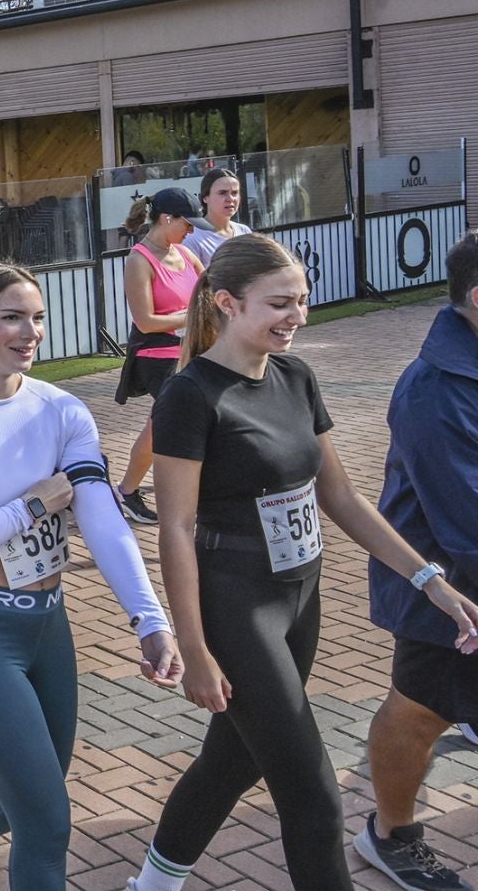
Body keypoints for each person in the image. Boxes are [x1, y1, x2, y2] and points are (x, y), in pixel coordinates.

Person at [127, 235, 478, 891]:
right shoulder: (192, 396)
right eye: (280, 303)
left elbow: (341, 497)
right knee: (313, 792)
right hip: (236, 605)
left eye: (304, 302)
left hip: (300, 598)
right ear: (226, 303)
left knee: (231, 760)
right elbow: (174, 527)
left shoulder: (295, 377)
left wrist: (428, 579)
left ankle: (150, 885)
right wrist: (195, 647)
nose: (298, 316)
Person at [0, 260, 181, 891]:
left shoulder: (62, 410)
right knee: (47, 822)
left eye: (39, 317)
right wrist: (31, 505)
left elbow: (103, 518)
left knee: (33, 786)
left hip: (48, 627)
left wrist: (149, 617)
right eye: (12, 318)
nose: (31, 332)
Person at [356, 234, 478, 890]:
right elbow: (468, 523)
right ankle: (390, 835)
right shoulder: (436, 391)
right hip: (447, 595)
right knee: (419, 711)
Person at [114, 187, 204, 524]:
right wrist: (192, 315)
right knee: (168, 425)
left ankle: (126, 491)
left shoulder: (184, 253)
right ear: (166, 218)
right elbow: (146, 321)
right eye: (187, 223)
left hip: (192, 351)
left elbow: (210, 289)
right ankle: (127, 492)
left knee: (163, 426)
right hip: (157, 357)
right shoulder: (139, 260)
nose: (191, 230)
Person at [182, 168, 250, 266]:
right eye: (222, 193)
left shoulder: (244, 231)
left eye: (234, 193)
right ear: (205, 197)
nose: (230, 199)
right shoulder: (192, 237)